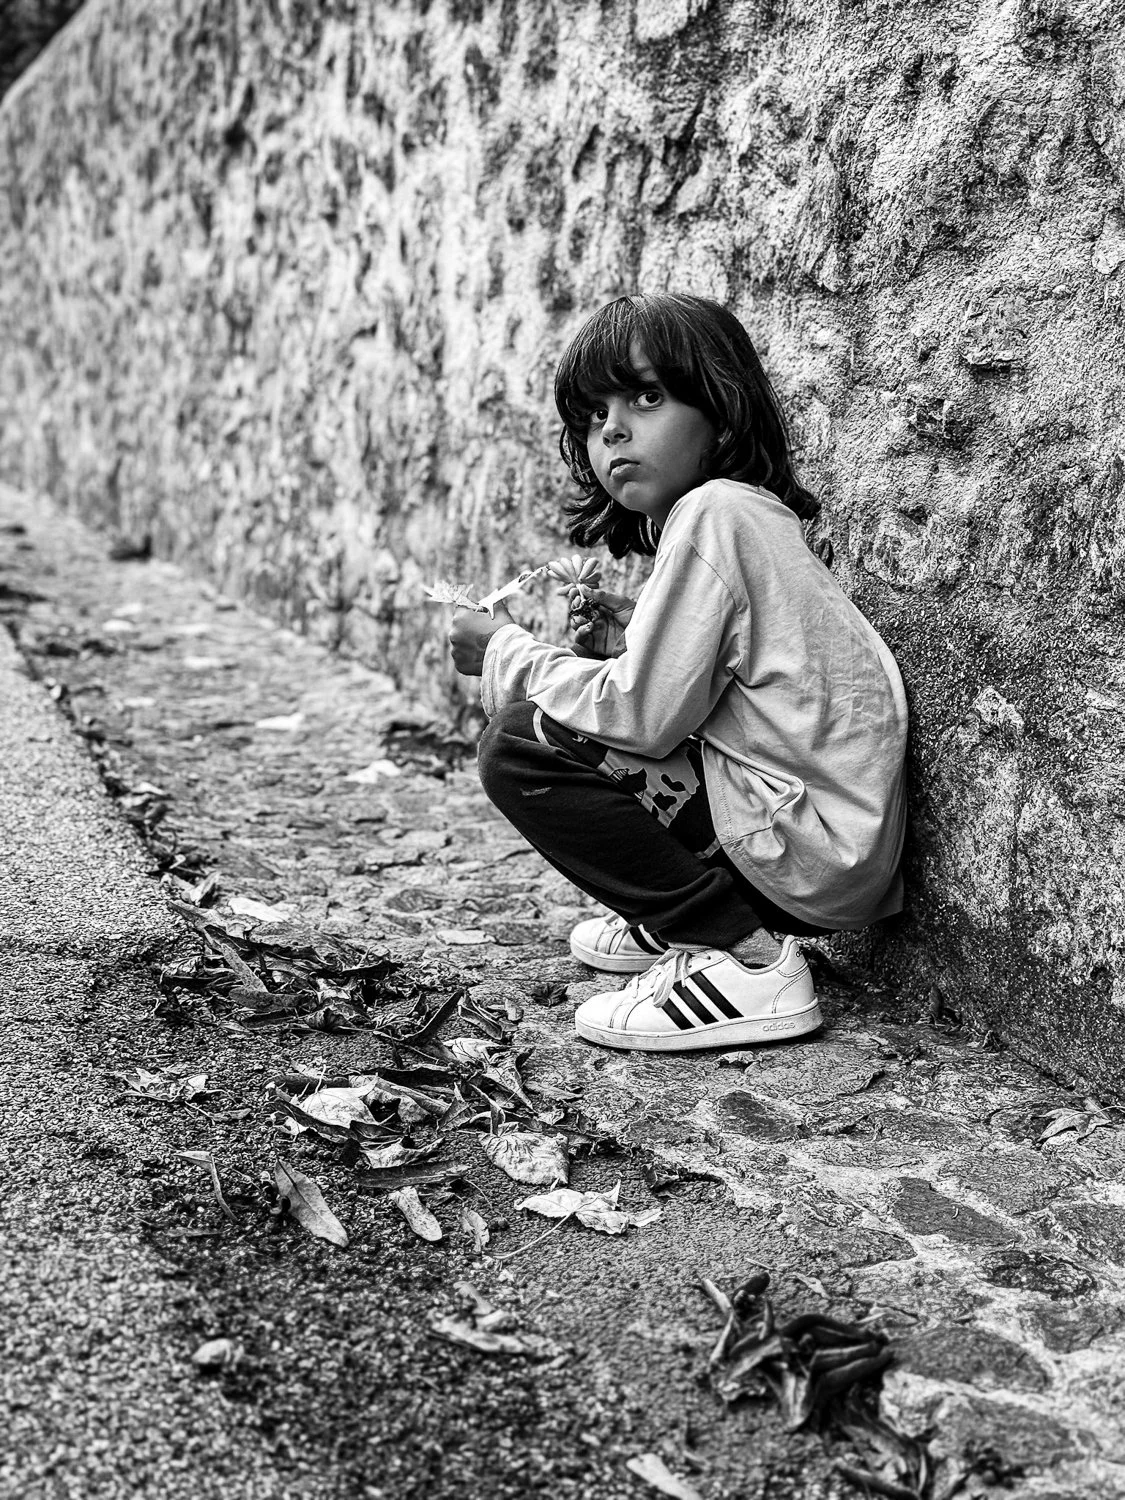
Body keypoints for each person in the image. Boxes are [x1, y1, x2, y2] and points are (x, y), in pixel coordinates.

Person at [448, 292, 907, 1053]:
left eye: (647, 398)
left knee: (521, 743)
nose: (614, 430)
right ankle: (685, 918)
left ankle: (741, 956)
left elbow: (641, 718)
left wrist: (504, 651)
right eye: (594, 416)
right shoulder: (738, 517)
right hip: (820, 847)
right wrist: (632, 633)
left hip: (802, 850)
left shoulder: (715, 514)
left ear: (721, 413)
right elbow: (722, 690)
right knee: (560, 721)